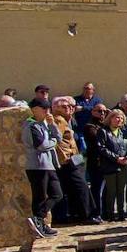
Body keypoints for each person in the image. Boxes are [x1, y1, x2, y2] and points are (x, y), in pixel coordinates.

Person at [51, 97, 99, 224]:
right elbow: (57, 140)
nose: (70, 108)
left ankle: (79, 214)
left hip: (76, 157)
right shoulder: (58, 120)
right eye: (65, 106)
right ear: (56, 108)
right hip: (68, 160)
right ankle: (87, 214)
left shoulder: (70, 120)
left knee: (75, 187)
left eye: (71, 106)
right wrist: (65, 157)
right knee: (80, 186)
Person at [22, 98, 62, 237]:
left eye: (48, 109)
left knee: (57, 194)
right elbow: (41, 145)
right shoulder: (31, 126)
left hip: (48, 165)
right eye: (43, 109)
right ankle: (39, 222)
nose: (47, 111)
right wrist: (54, 141)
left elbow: (59, 138)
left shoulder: (44, 124)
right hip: (37, 166)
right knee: (39, 197)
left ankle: (38, 219)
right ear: (35, 110)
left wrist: (52, 125)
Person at [97, 108, 127, 221]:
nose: (119, 120)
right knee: (111, 191)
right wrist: (116, 158)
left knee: (121, 190)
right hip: (110, 165)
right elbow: (102, 148)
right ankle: (110, 214)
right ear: (111, 118)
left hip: (123, 165)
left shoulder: (124, 133)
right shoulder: (103, 131)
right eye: (117, 117)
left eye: (121, 118)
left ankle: (121, 213)